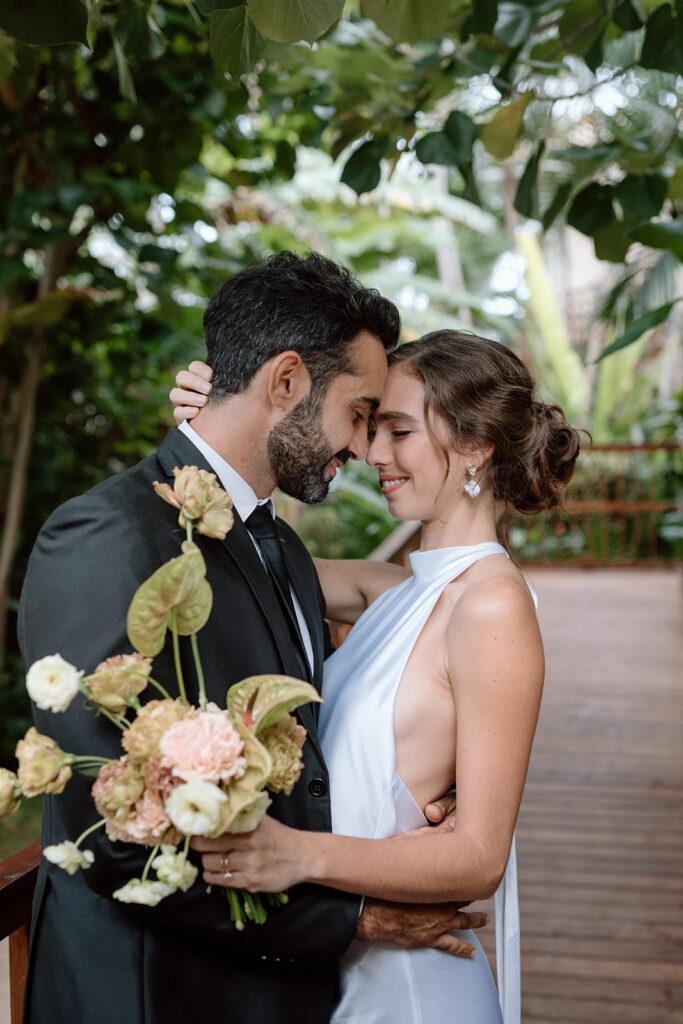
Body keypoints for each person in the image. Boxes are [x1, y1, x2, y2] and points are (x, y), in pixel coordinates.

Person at [17, 254, 485, 1024]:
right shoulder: (109, 534)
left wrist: (416, 779)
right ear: (287, 381)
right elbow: (112, 831)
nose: (365, 447)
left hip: (270, 994)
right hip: (149, 995)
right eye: (361, 411)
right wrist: (354, 920)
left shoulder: (282, 552)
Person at [171, 328, 582, 1023]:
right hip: (338, 971)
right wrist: (208, 428)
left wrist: (292, 854)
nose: (371, 454)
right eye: (368, 427)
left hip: (413, 990)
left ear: (476, 444)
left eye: (397, 431)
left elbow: (479, 856)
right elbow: (230, 555)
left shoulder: (490, 607)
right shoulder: (391, 590)